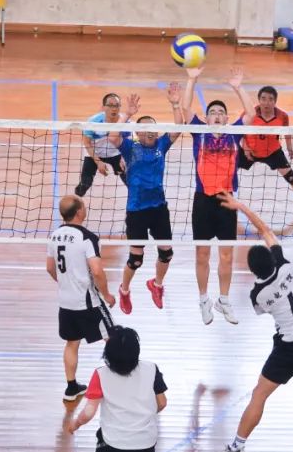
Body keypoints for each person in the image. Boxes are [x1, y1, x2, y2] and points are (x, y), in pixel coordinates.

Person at [213, 194, 293, 452]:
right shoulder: (288, 265)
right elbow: (265, 230)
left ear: (252, 271)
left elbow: (276, 302)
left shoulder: (257, 295)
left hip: (291, 345)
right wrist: (241, 206)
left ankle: (237, 448)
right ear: (271, 257)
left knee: (260, 394)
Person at [177, 65, 255, 325]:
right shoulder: (199, 131)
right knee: (201, 255)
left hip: (226, 201)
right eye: (213, 112)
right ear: (207, 118)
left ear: (226, 118)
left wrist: (238, 87)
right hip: (202, 200)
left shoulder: (233, 133)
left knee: (226, 255)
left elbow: (251, 114)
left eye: (221, 112)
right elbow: (186, 108)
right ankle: (203, 300)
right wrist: (192, 79)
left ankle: (223, 300)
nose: (217, 115)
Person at [67, 326, 166, 452]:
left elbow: (88, 412)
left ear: (108, 354)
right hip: (145, 439)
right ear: (136, 351)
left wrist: (76, 424)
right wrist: (147, 414)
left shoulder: (100, 374)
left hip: (113, 441)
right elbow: (162, 402)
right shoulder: (151, 369)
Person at [107, 90, 183, 316]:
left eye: (153, 127)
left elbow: (179, 127)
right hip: (137, 210)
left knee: (167, 253)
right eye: (145, 128)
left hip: (158, 208)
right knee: (136, 259)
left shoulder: (161, 145)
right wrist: (127, 114)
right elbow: (113, 137)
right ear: (138, 133)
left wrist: (175, 104)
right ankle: (124, 290)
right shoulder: (131, 148)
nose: (150, 131)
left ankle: (156, 285)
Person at [48, 195, 117, 402]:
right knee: (112, 337)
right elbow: (97, 271)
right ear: (79, 212)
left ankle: (71, 388)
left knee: (72, 343)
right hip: (88, 302)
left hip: (65, 302)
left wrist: (66, 283)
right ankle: (119, 381)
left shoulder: (54, 236)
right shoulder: (87, 237)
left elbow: (50, 268)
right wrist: (106, 294)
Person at [239, 86, 293, 221]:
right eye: (263, 99)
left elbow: (287, 132)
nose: (266, 103)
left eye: (270, 99)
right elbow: (240, 132)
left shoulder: (282, 116)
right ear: (259, 100)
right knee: (227, 172)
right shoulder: (249, 113)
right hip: (250, 150)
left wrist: (290, 149)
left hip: (273, 152)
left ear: (275, 101)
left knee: (292, 178)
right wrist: (245, 148)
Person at [75, 93, 128, 198]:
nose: (114, 109)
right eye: (110, 105)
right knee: (84, 184)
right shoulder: (93, 122)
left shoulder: (125, 122)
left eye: (117, 105)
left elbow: (129, 142)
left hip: (116, 154)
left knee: (130, 181)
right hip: (95, 153)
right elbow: (87, 143)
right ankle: (75, 202)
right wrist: (98, 162)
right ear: (103, 107)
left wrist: (124, 158)